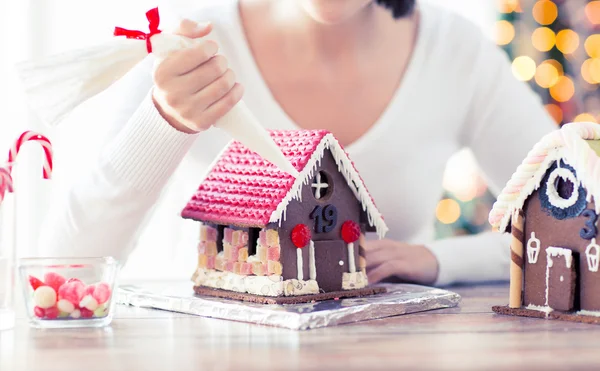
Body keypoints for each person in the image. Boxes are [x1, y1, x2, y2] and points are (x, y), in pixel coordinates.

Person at [39, 0, 557, 286]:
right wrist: (163, 121)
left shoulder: (455, 52)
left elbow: (583, 222)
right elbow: (64, 267)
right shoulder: (190, 49)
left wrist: (440, 260)